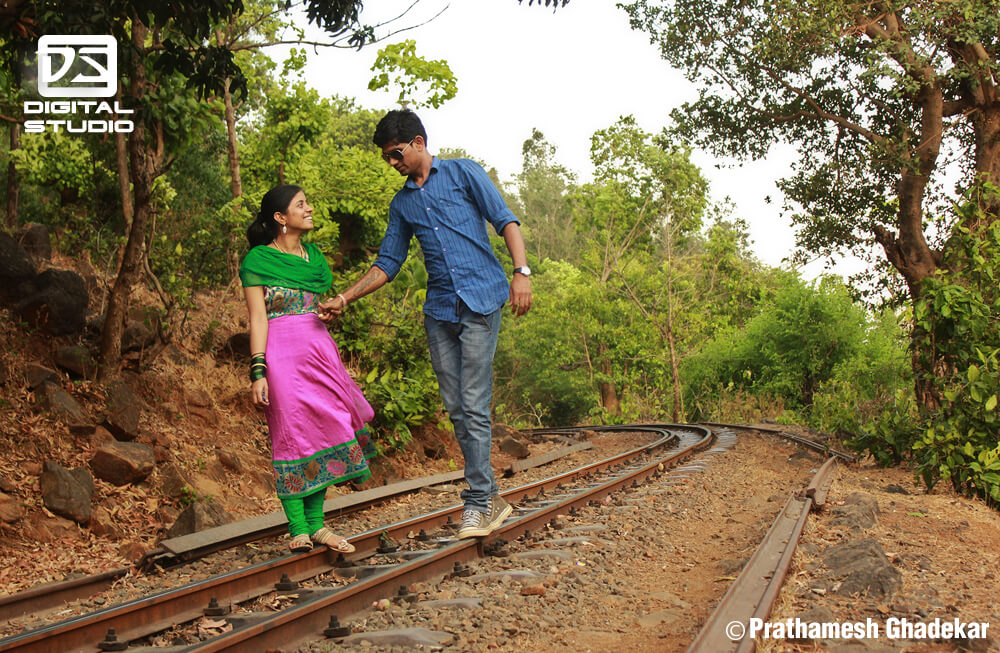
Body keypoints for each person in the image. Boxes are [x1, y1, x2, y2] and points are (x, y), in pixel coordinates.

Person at [319, 109, 532, 539]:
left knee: (472, 401)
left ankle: (477, 501)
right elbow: (389, 263)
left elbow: (505, 220)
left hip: (482, 300)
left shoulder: (464, 173)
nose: (393, 164)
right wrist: (345, 296)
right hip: (439, 312)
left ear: (418, 142)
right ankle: (489, 497)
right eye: (387, 159)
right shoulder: (403, 204)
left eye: (396, 154)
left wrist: (521, 272)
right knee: (456, 407)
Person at [240, 184, 376, 553]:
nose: (309, 209)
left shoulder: (314, 259)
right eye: (301, 205)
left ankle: (317, 526)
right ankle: (298, 527)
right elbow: (257, 319)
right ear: (280, 218)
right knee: (290, 435)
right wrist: (258, 370)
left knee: (328, 429)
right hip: (280, 355)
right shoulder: (257, 261)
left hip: (319, 351)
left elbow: (317, 307)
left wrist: (332, 308)